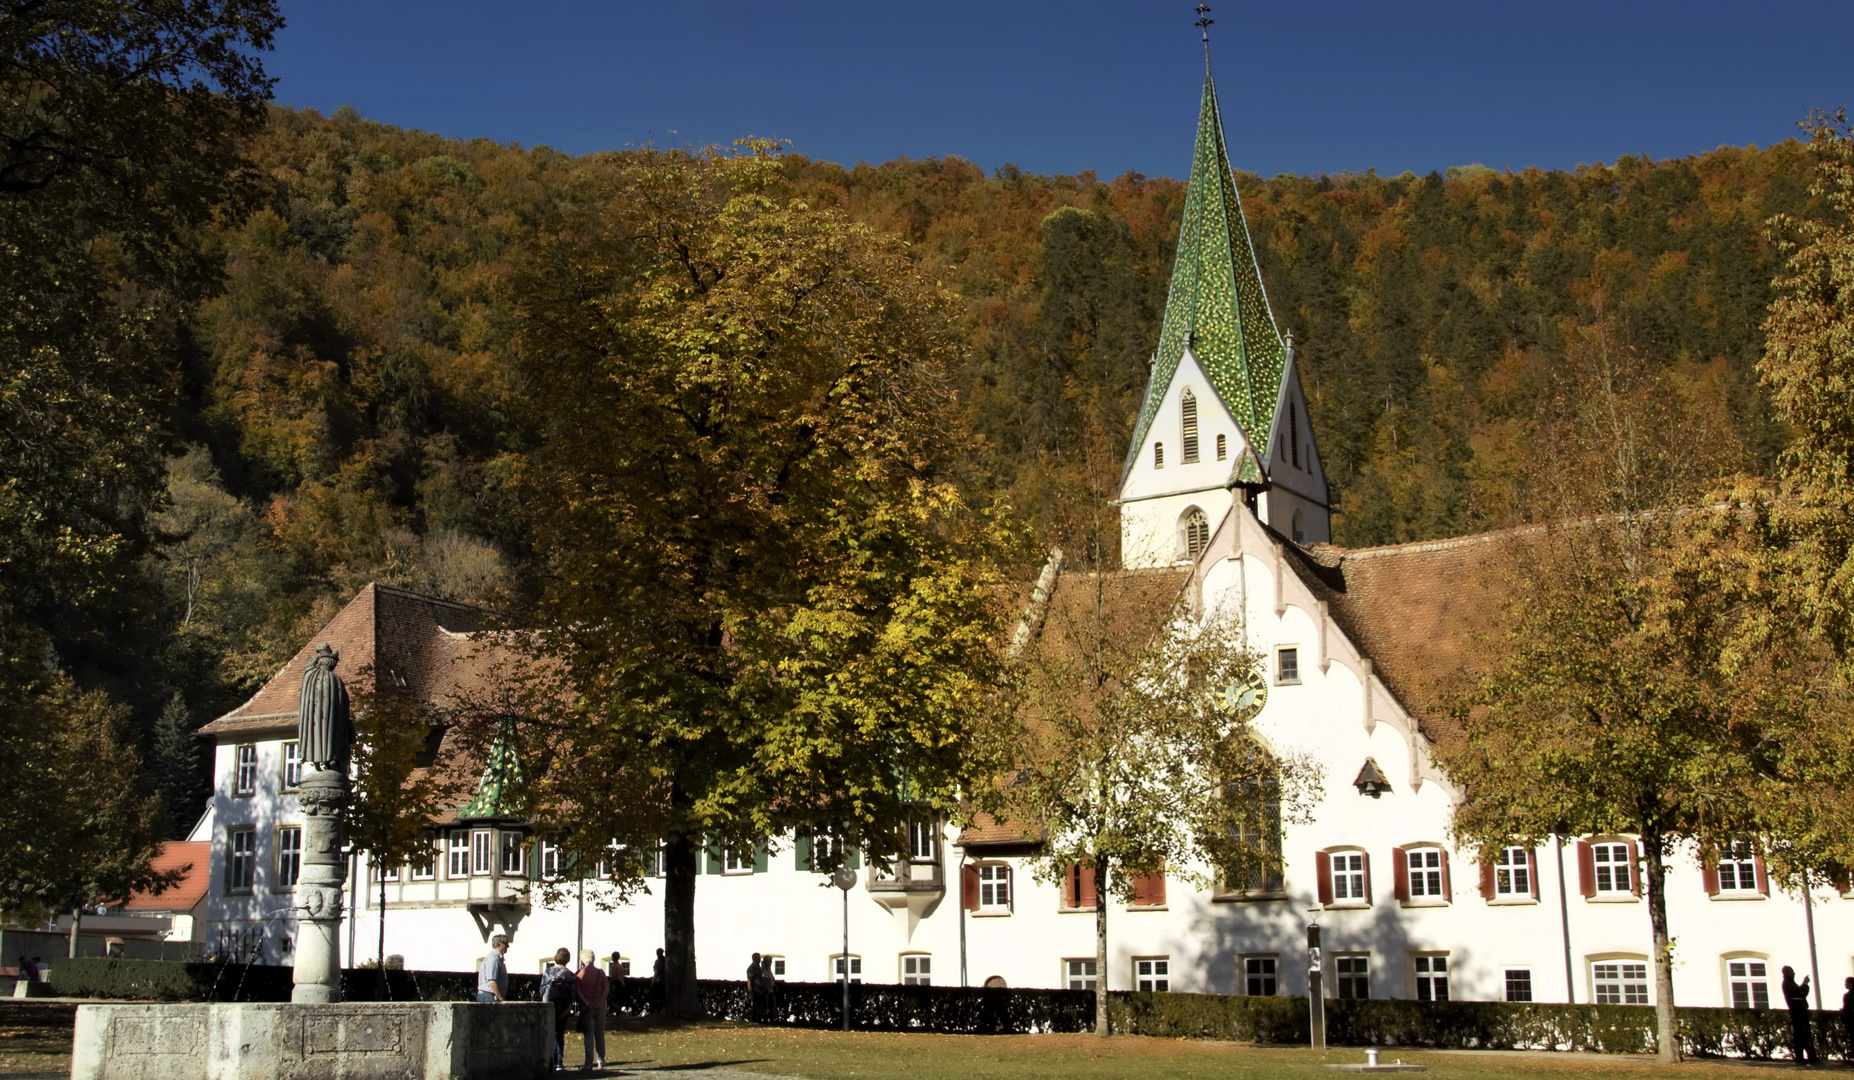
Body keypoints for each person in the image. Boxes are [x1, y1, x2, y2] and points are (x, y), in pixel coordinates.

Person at [541, 948, 583, 1071]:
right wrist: (568, 1008)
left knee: (550, 1033)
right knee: (560, 1033)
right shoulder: (570, 975)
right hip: (563, 1007)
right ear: (568, 959)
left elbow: (542, 989)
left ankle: (550, 1059)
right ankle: (559, 1061)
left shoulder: (548, 972)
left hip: (550, 1006)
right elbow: (572, 994)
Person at [576, 949, 608, 1071]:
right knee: (599, 1034)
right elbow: (606, 989)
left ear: (582, 959)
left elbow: (578, 990)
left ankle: (588, 1063)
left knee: (588, 1035)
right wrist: (600, 1001)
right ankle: (601, 1060)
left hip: (587, 1008)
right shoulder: (600, 973)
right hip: (600, 1007)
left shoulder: (580, 973)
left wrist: (586, 1002)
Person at [1782, 965, 1817, 1065]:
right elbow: (1800, 994)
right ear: (1787, 973)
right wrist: (1805, 984)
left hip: (1798, 1012)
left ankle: (1805, 1057)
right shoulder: (1788, 984)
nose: (1794, 973)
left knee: (1802, 1035)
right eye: (1792, 971)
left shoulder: (1790, 983)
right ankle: (1804, 1057)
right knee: (1802, 1035)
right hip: (1798, 1012)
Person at [477, 934, 509, 1004]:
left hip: (491, 995)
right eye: (506, 944)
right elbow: (492, 982)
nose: (508, 946)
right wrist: (500, 998)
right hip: (489, 996)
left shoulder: (498, 958)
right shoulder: (493, 959)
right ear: (498, 945)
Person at [758, 953, 778, 1022]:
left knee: (773, 1007)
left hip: (771, 992)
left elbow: (771, 980)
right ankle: (760, 1019)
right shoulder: (762, 970)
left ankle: (772, 1020)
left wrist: (774, 986)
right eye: (770, 961)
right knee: (764, 1007)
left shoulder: (769, 970)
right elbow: (762, 980)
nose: (771, 963)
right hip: (765, 992)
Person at [746, 953, 763, 1022]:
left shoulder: (758, 967)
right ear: (754, 959)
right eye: (758, 958)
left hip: (759, 989)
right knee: (756, 1007)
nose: (760, 959)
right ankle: (743, 1016)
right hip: (755, 990)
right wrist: (750, 991)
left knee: (758, 1006)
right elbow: (749, 980)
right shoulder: (751, 968)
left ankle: (755, 1019)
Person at [648, 947, 666, 1014]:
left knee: (654, 996)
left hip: (659, 981)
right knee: (662, 997)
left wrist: (652, 982)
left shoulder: (658, 962)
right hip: (665, 981)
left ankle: (653, 1009)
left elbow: (656, 972)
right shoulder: (666, 961)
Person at [1842, 977, 1853, 1064]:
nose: (1845, 985)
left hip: (1850, 1020)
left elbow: (1846, 1008)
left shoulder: (1847, 996)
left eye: (1846, 983)